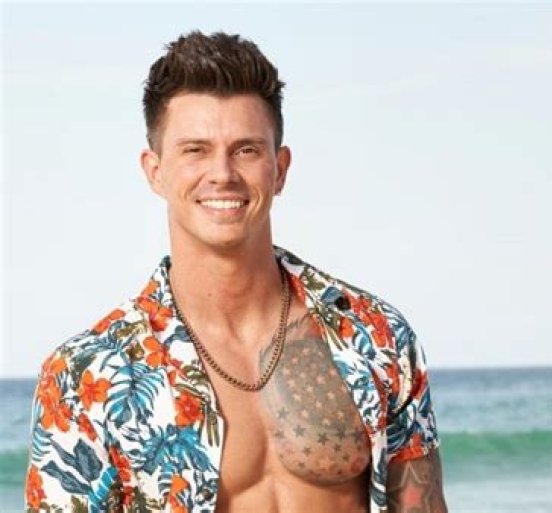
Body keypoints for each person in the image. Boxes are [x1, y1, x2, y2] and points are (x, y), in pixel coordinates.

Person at [24, 30, 447, 513]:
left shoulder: (377, 335)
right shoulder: (86, 375)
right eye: (195, 150)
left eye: (246, 150)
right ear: (155, 170)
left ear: (279, 169)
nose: (223, 173)